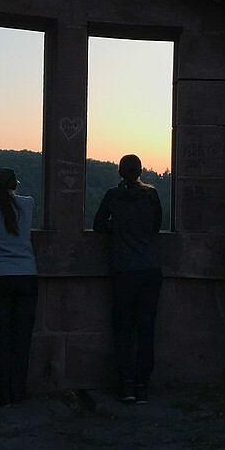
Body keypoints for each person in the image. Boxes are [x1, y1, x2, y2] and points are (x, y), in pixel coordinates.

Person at [93, 154, 162, 405]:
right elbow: (156, 226)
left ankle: (127, 386)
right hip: (150, 269)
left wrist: (118, 228)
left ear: (120, 172)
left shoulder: (113, 195)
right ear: (141, 171)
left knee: (123, 330)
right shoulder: (151, 195)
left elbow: (98, 225)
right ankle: (143, 386)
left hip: (124, 270)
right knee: (146, 330)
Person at [0, 167, 38, 407]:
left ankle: (2, 394)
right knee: (22, 338)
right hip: (26, 274)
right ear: (16, 184)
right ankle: (18, 392)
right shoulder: (29, 203)